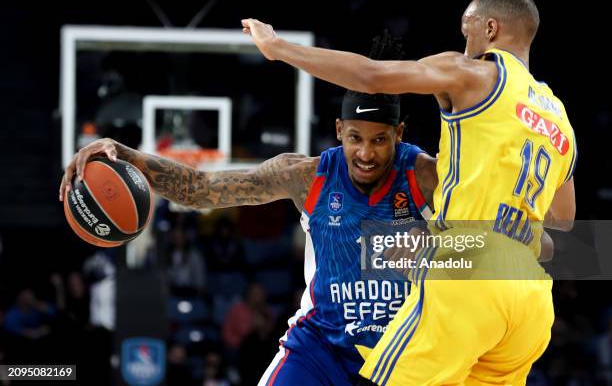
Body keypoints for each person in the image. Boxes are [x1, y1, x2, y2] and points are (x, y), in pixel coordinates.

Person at [241, 0, 577, 385]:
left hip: (470, 270)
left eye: (467, 30)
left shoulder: (476, 72)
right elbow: (563, 218)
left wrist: (278, 47)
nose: (465, 43)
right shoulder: (559, 119)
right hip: (531, 297)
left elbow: (371, 76)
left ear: (490, 27)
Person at [60, 33, 438, 385]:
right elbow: (201, 189)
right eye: (356, 138)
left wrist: (435, 248)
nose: (366, 153)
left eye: (380, 141)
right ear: (339, 130)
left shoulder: (426, 176)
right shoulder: (308, 177)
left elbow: (493, 250)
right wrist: (129, 157)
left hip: (405, 354)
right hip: (320, 348)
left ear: (399, 135)